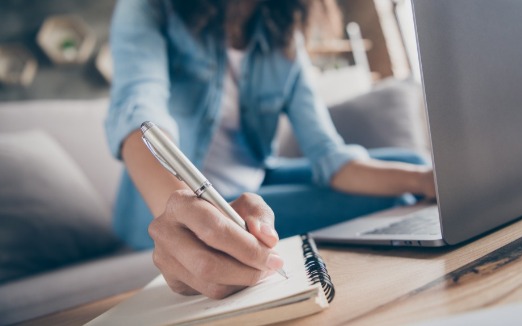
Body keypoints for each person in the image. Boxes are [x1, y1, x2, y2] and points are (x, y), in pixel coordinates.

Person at [106, 0, 436, 299]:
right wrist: (180, 213)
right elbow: (139, 105)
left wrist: (424, 179)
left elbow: (330, 156)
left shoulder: (285, 40)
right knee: (391, 194)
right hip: (176, 201)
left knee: (411, 164)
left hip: (258, 180)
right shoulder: (151, 7)